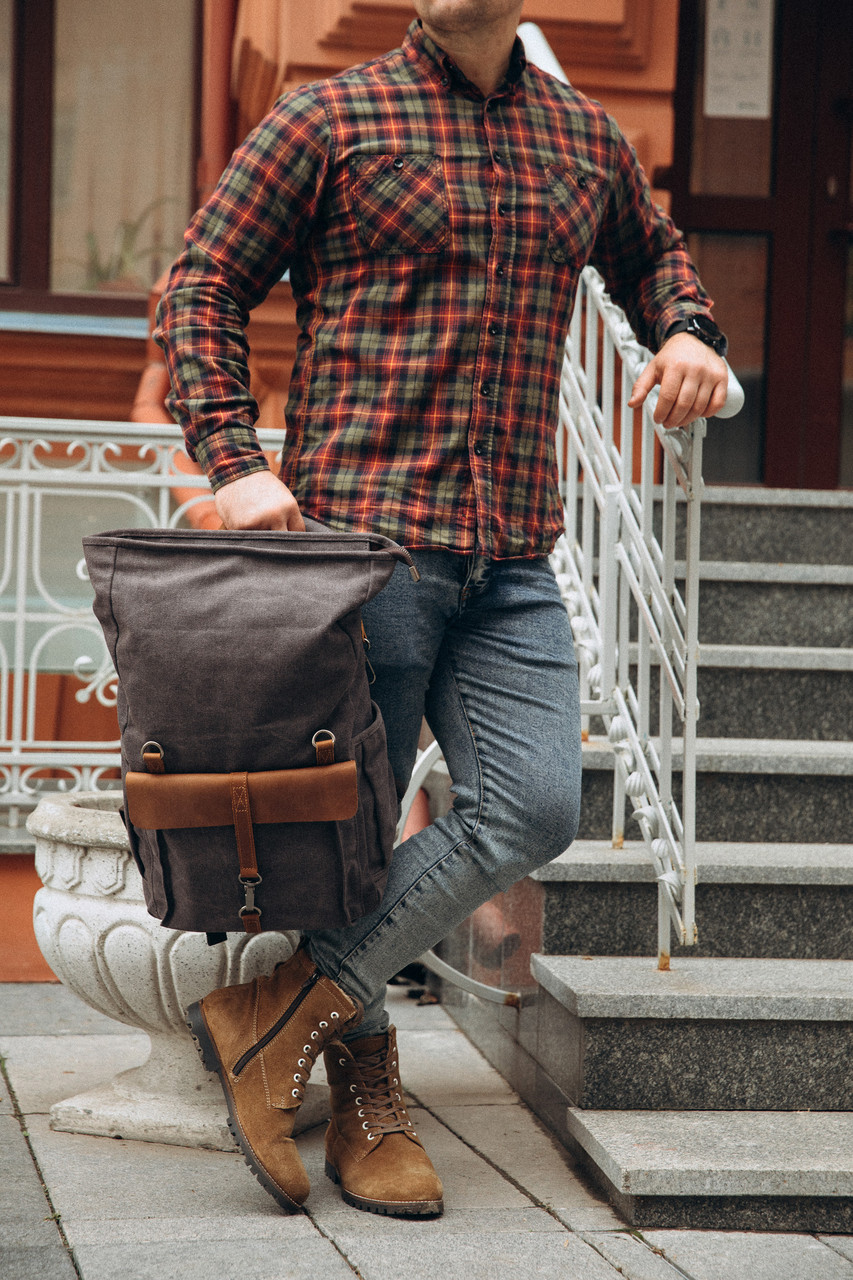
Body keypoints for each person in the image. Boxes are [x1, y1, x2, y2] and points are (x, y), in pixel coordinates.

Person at [155, 0, 729, 1221]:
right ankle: (366, 1088)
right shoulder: (329, 117)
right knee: (351, 835)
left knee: (532, 803)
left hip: (515, 552)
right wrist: (234, 459)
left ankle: (273, 1017)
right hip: (366, 545)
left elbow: (657, 255)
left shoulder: (586, 140)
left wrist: (685, 330)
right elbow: (202, 283)